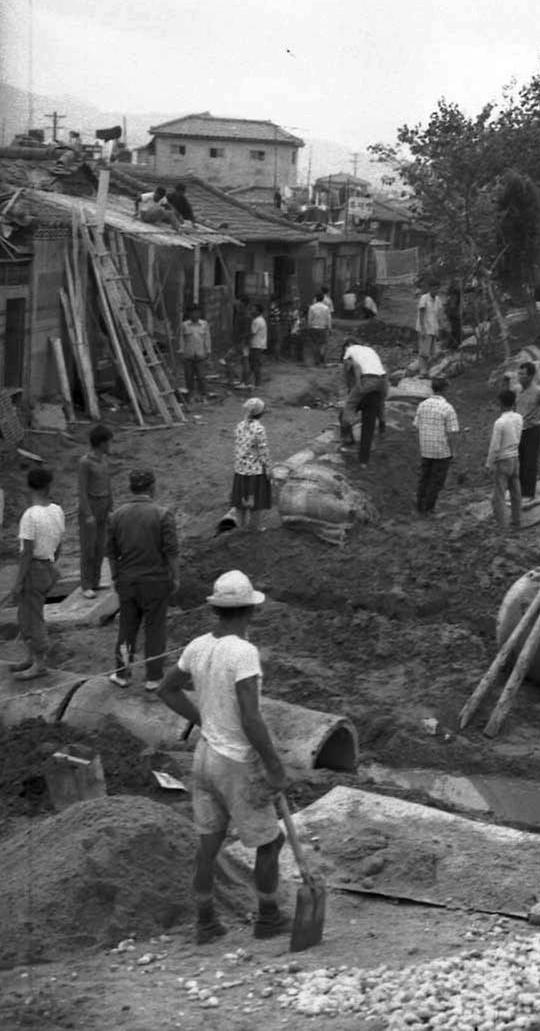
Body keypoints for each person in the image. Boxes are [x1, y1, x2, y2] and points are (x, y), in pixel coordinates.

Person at [157, 569, 290, 944]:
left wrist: (204, 720)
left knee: (208, 845)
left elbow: (167, 690)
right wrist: (275, 767)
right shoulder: (244, 653)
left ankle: (206, 923)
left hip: (203, 757)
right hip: (234, 761)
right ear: (250, 610)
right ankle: (268, 916)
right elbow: (251, 717)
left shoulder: (198, 645)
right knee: (269, 842)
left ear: (217, 610)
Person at [106, 468, 178, 691]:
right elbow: (171, 551)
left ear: (131, 487)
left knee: (127, 629)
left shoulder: (116, 516)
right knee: (155, 629)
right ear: (152, 487)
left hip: (128, 582)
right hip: (156, 582)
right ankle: (153, 677)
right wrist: (175, 577)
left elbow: (110, 551)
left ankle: (123, 674)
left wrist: (116, 576)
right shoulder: (162, 514)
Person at [11, 468, 64, 681]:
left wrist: (18, 582)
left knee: (32, 618)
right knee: (30, 614)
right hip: (49, 566)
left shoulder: (30, 515)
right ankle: (32, 657)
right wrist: (51, 564)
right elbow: (59, 543)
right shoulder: (57, 510)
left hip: (34, 569)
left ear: (29, 487)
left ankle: (40, 663)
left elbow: (27, 552)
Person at [413, 377, 459, 515]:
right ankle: (429, 508)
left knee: (424, 477)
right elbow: (452, 433)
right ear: (445, 389)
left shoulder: (422, 405)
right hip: (441, 451)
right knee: (436, 480)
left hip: (426, 449)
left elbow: (416, 425)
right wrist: (454, 451)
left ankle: (420, 505)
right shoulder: (447, 408)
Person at [78, 424, 114, 599]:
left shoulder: (104, 461)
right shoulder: (85, 462)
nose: (110, 446)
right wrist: (87, 514)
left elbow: (108, 485)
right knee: (88, 548)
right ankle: (86, 584)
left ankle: (96, 580)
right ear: (100, 443)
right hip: (91, 506)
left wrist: (111, 507)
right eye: (107, 442)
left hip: (104, 504)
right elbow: (81, 490)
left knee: (101, 546)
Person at [339, 339, 387, 465]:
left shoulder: (349, 351)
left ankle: (347, 440)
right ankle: (363, 461)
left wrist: (358, 384)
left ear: (347, 347)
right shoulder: (369, 350)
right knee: (369, 424)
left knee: (347, 409)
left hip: (367, 382)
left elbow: (355, 367)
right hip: (382, 383)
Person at [515, 361, 540, 501]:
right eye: (518, 374)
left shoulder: (538, 391)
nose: (520, 377)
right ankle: (517, 490)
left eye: (523, 374)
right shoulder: (517, 389)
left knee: (529, 462)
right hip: (518, 430)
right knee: (518, 460)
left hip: (532, 430)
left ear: (530, 376)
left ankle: (528, 493)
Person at [485, 390, 523, 531]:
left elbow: (495, 446)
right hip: (515, 457)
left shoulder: (500, 422)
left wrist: (489, 463)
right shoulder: (519, 418)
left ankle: (502, 525)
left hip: (503, 460)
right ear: (514, 402)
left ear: (500, 403)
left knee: (499, 494)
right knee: (516, 492)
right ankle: (517, 520)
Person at [232, 398, 272, 531]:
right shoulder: (259, 429)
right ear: (260, 413)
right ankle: (254, 526)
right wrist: (268, 467)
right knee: (256, 499)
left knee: (241, 498)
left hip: (240, 468)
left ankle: (241, 524)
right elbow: (263, 451)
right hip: (255, 470)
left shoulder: (239, 426)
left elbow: (239, 446)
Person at [179, 305, 211, 402]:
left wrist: (208, 350)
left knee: (202, 377)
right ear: (189, 314)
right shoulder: (184, 325)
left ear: (200, 313)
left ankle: (203, 395)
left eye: (197, 312)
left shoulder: (204, 324)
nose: (195, 314)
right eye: (193, 312)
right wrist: (181, 351)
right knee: (189, 377)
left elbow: (207, 338)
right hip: (188, 355)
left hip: (201, 355)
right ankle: (191, 395)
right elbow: (181, 339)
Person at [417, 279, 444, 360]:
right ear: (430, 288)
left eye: (437, 289)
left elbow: (439, 314)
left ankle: (429, 369)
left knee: (432, 351)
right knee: (424, 352)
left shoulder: (438, 299)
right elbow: (421, 314)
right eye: (434, 288)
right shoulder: (424, 298)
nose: (435, 290)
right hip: (425, 328)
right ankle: (422, 370)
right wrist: (422, 329)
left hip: (434, 327)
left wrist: (440, 327)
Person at [305, 293, 332, 366]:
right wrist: (330, 328)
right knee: (323, 343)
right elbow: (328, 319)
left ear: (316, 299)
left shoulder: (312, 307)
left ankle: (316, 358)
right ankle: (321, 354)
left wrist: (308, 327)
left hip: (313, 328)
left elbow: (309, 319)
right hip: (323, 328)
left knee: (314, 343)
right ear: (323, 299)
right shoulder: (326, 308)